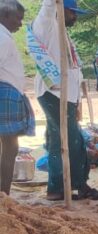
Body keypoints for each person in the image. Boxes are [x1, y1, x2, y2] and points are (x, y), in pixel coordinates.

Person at [31, 0, 98, 200]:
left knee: (60, 140)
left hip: (66, 97)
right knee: (73, 140)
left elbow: (73, 70)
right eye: (72, 12)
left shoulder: (63, 33)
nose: (75, 16)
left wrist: (77, 102)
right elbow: (47, 7)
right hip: (53, 94)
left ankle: (59, 188)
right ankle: (77, 185)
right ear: (60, 9)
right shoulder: (46, 25)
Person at [0, 0, 33, 196]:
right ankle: (4, 194)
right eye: (18, 19)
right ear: (4, 16)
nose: (20, 24)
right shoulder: (3, 39)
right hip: (5, 92)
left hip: (7, 91)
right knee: (10, 146)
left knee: (9, 146)